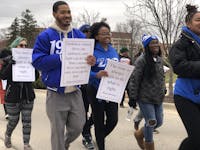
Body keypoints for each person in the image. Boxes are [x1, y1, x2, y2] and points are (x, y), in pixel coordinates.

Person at [32, 1, 95, 150]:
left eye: (69, 12)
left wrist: (92, 60)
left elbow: (87, 57)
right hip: (55, 92)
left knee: (78, 126)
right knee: (57, 132)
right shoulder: (46, 36)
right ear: (54, 14)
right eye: (63, 12)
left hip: (75, 91)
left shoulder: (79, 35)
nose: (67, 15)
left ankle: (65, 143)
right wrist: (61, 57)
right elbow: (37, 61)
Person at [169, 4, 200, 150]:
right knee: (197, 138)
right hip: (186, 96)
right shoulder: (181, 43)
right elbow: (179, 66)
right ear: (188, 23)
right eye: (198, 20)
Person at [0, 37, 39, 150]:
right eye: (21, 45)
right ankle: (8, 135)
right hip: (12, 97)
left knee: (27, 122)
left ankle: (26, 144)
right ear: (15, 47)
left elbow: (35, 77)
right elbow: (2, 76)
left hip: (27, 96)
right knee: (13, 120)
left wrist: (33, 67)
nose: (24, 47)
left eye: (25, 45)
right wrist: (10, 64)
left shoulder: (30, 59)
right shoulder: (7, 60)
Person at [128, 34, 166, 150]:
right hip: (145, 98)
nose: (155, 45)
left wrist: (163, 88)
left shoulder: (159, 60)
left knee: (158, 122)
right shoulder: (141, 60)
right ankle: (149, 146)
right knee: (151, 122)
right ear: (146, 46)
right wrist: (132, 98)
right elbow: (135, 79)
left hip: (157, 98)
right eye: (152, 43)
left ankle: (139, 134)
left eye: (156, 42)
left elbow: (161, 77)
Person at [87, 21, 119, 150]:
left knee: (113, 121)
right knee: (99, 122)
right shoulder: (92, 52)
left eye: (108, 33)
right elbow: (83, 72)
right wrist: (96, 74)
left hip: (111, 90)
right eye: (103, 33)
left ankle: (95, 133)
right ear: (96, 37)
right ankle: (101, 145)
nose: (107, 36)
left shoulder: (113, 51)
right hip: (95, 90)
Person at [79, 24, 95, 150]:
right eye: (84, 32)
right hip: (82, 87)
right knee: (83, 112)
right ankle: (86, 136)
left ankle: (87, 126)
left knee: (98, 112)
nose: (87, 34)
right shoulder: (76, 50)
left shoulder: (98, 49)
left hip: (95, 87)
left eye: (89, 32)